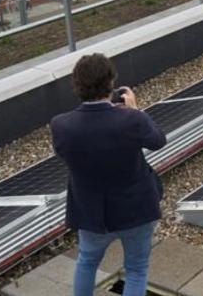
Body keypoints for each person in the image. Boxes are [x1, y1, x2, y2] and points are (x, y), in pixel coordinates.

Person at [51, 53, 167, 296]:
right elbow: (158, 141)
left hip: (91, 214)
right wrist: (136, 111)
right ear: (111, 83)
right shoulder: (131, 119)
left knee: (86, 262)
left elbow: (66, 154)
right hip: (136, 210)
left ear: (77, 86)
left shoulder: (61, 125)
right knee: (136, 269)